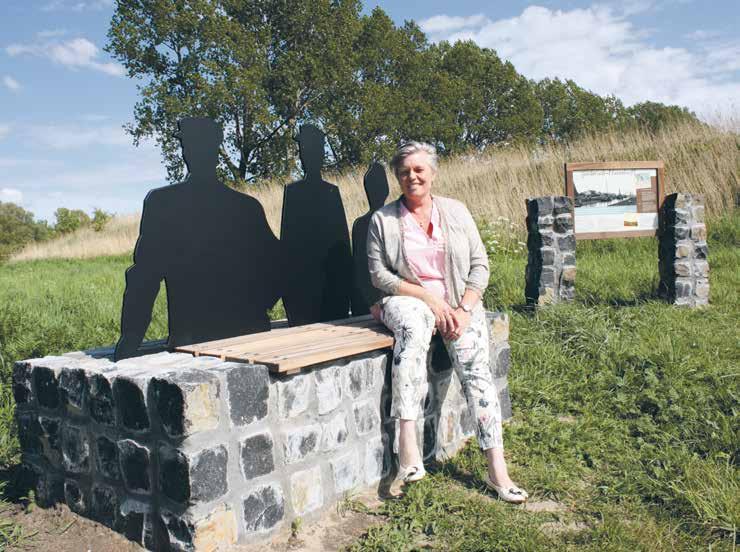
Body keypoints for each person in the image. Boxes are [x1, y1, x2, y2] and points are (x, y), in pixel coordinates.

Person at [366, 142, 528, 503]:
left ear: (433, 173)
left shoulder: (455, 211)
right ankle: (406, 443)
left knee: (478, 374)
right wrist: (428, 298)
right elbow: (379, 274)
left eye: (419, 170)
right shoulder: (384, 220)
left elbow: (480, 265)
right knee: (413, 331)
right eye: (405, 171)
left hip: (457, 304)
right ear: (398, 176)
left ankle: (497, 470)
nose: (413, 177)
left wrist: (465, 308)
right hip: (410, 299)